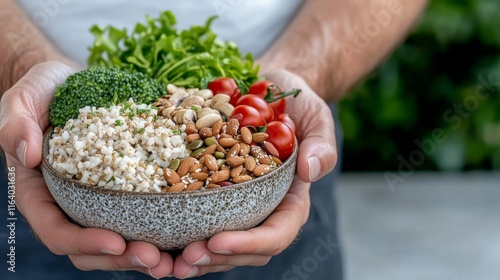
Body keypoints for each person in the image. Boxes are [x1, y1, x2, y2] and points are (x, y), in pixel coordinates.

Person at [0, 0, 428, 279]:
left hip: (278, 135)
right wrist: (22, 65)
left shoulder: (240, 135)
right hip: (32, 141)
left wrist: (296, 76)